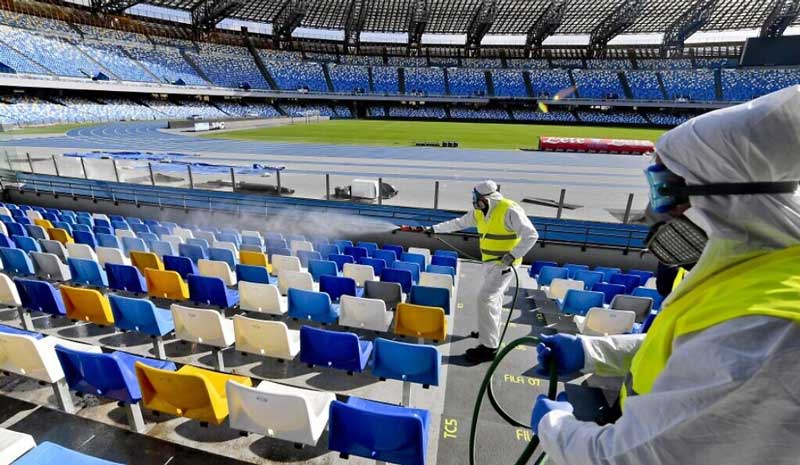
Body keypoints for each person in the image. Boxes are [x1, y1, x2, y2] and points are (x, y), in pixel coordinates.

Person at [530, 86, 800, 464]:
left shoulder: (768, 330)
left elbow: (630, 459)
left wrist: (555, 427)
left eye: (663, 190)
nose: (652, 211)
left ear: (723, 196)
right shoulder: (749, 273)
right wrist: (593, 351)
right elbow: (696, 354)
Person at [428, 180, 538, 363]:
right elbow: (458, 223)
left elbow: (531, 235)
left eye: (475, 197)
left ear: (485, 198)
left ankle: (489, 349)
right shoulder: (479, 212)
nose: (473, 201)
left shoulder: (509, 210)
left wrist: (513, 255)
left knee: (485, 299)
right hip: (489, 263)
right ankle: (488, 330)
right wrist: (433, 229)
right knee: (493, 299)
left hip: (504, 265)